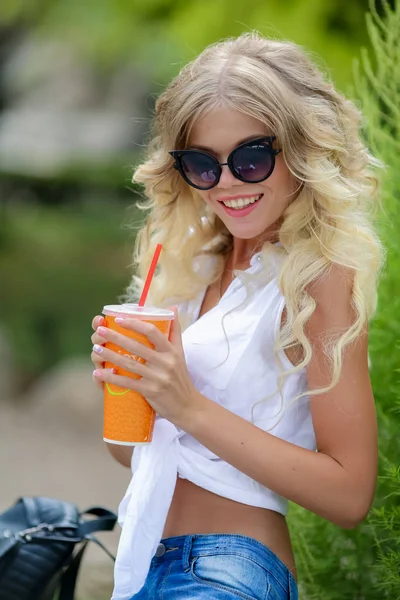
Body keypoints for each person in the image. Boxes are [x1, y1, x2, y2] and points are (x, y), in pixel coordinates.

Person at [90, 32, 384, 600]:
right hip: (143, 562)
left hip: (228, 573)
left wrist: (186, 404)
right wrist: (125, 385)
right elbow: (131, 453)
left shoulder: (317, 278)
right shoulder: (191, 270)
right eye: (202, 164)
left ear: (298, 151)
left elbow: (351, 494)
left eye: (250, 158)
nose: (226, 183)